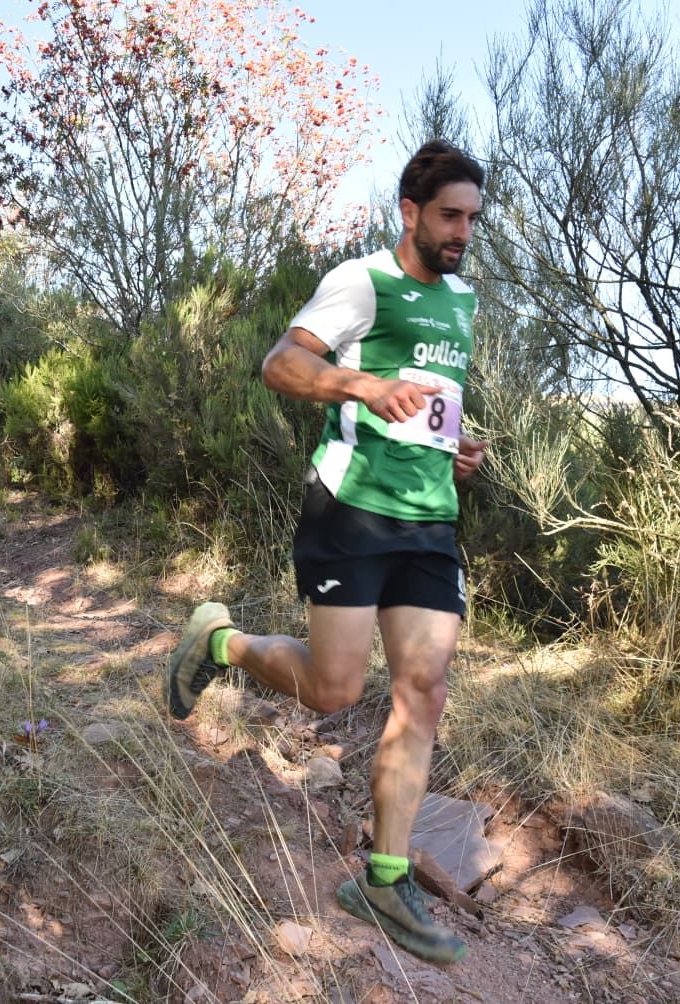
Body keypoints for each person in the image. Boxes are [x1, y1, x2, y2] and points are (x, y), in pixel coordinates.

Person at [167, 140, 488, 964]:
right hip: (349, 508)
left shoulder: (462, 300)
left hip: (429, 519)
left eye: (472, 219)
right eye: (449, 215)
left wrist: (451, 447)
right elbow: (283, 364)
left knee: (425, 689)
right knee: (332, 690)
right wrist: (364, 385)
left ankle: (383, 879)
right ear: (410, 212)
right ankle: (218, 641)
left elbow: (430, 402)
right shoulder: (362, 282)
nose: (462, 232)